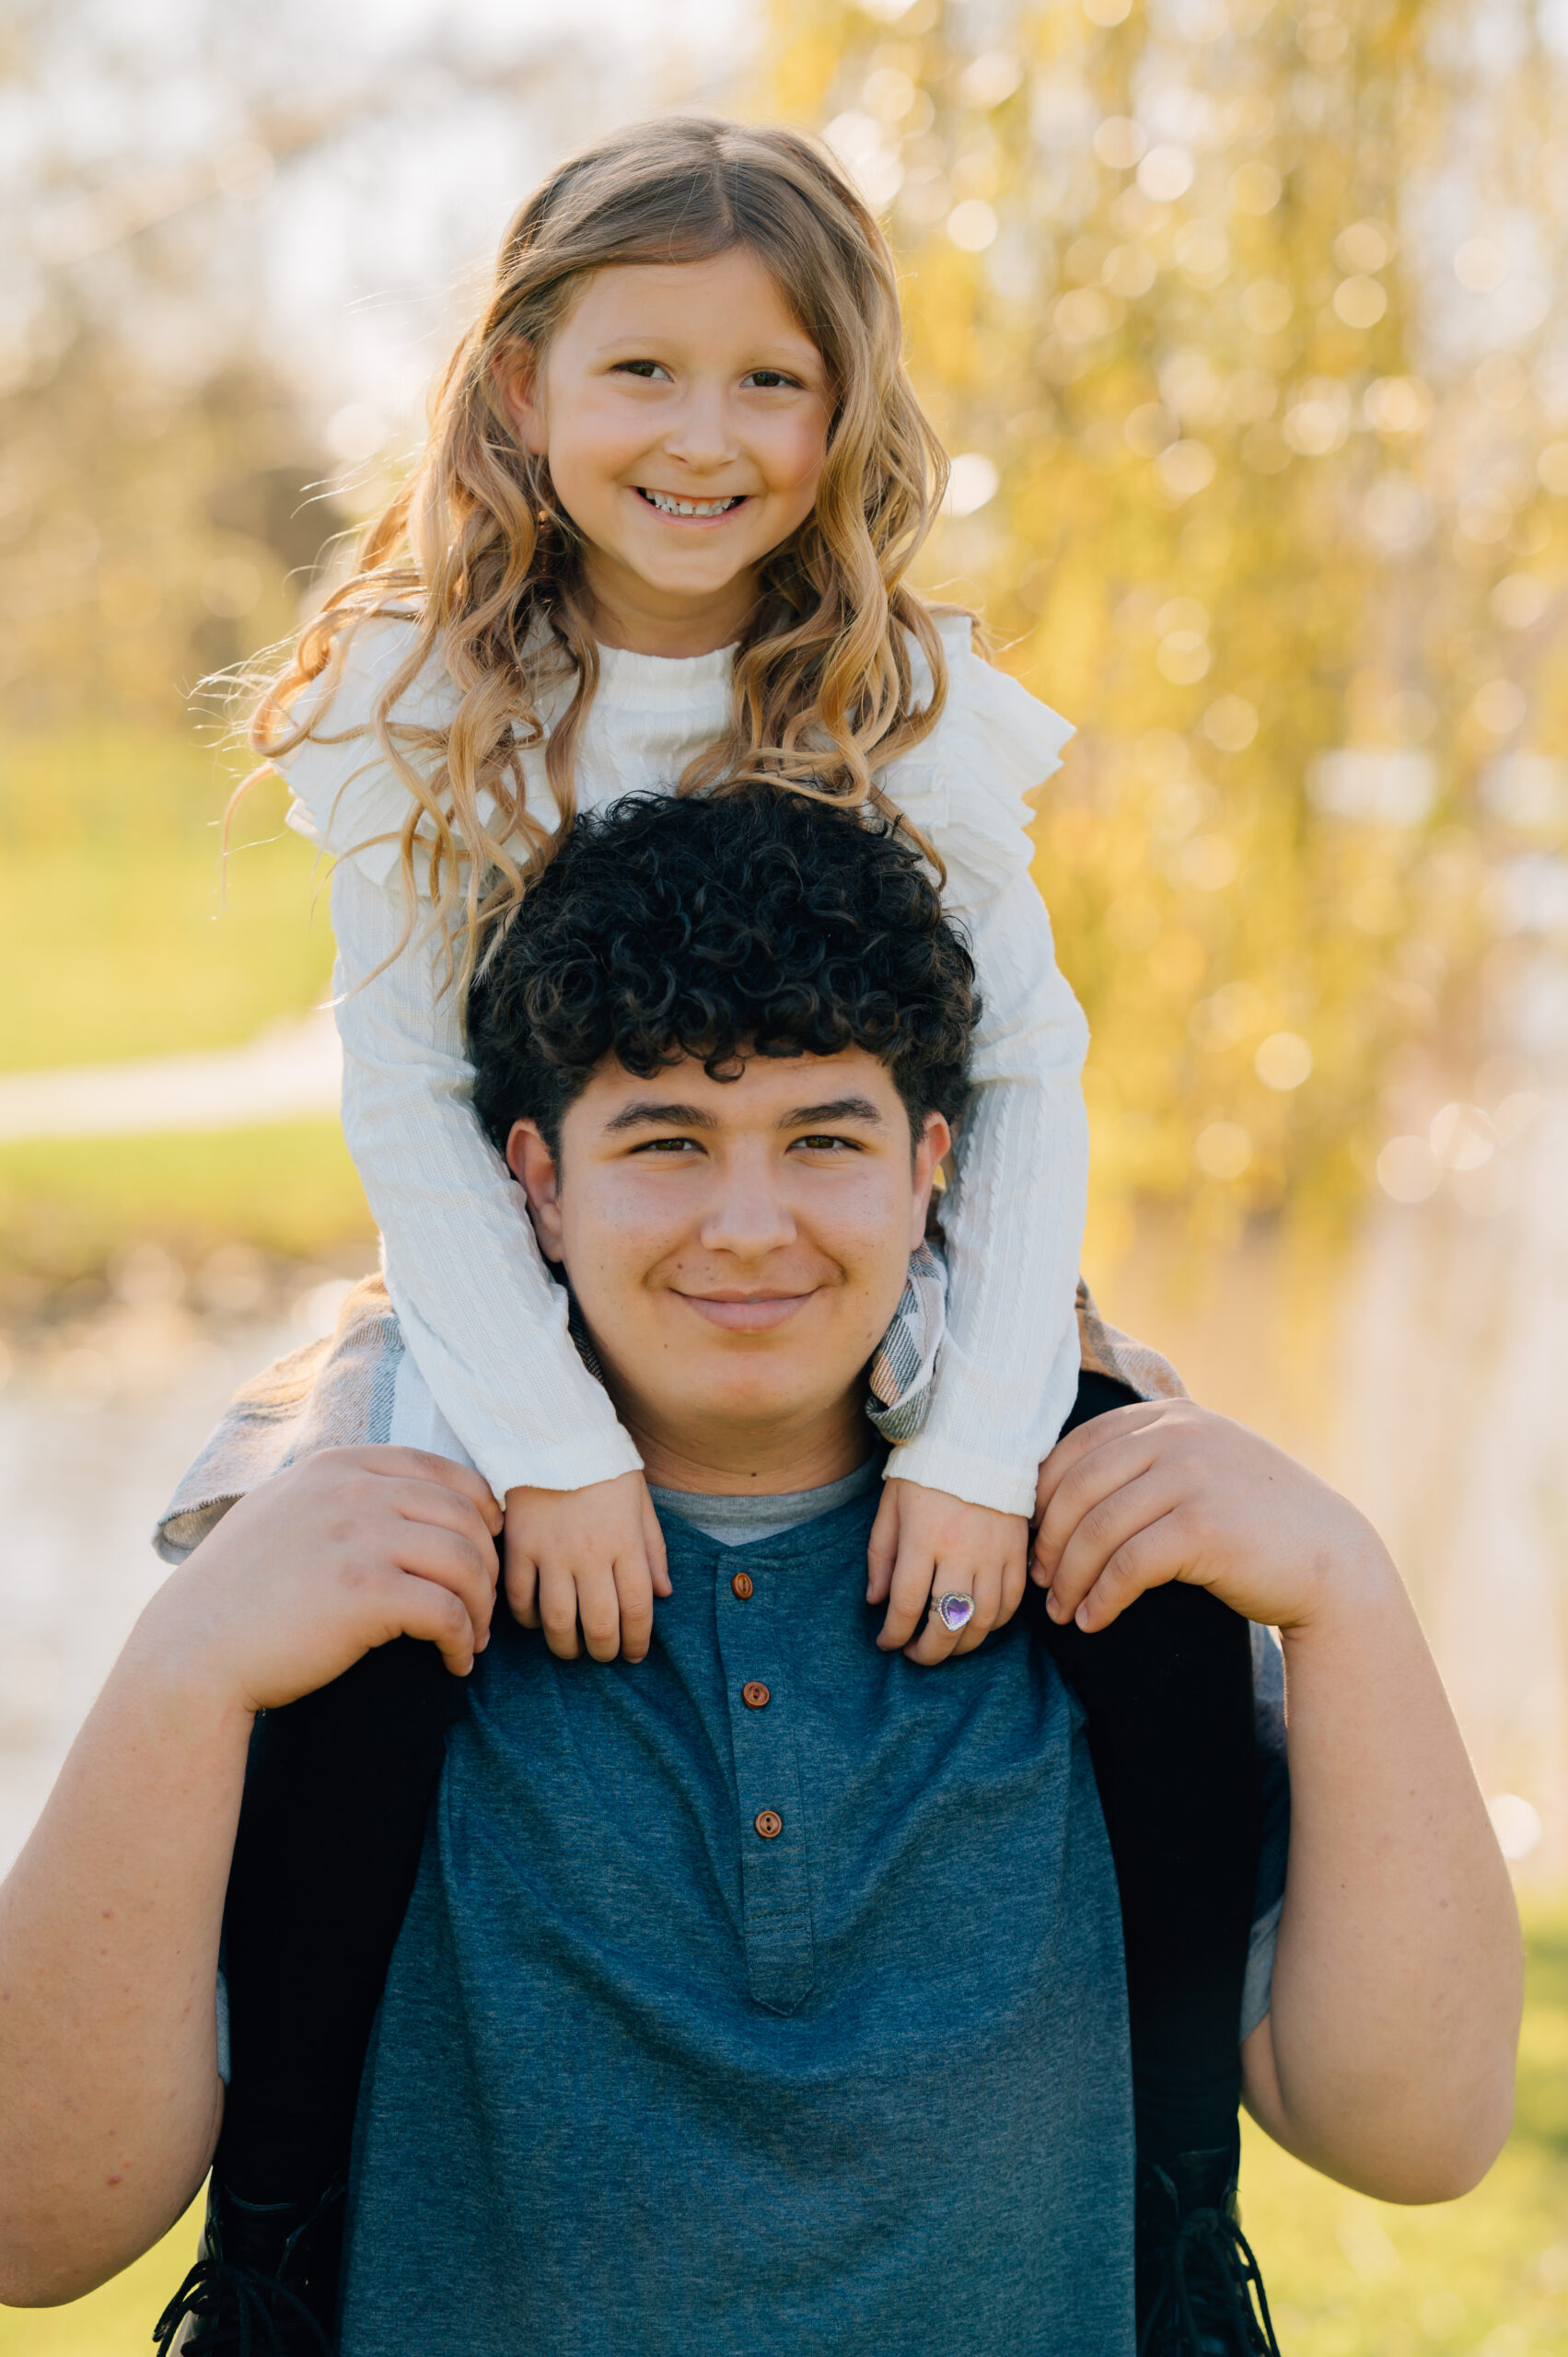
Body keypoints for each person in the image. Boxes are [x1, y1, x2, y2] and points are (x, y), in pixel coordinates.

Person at [194, 108, 1272, 2319]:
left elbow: (1026, 1070)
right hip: (512, 1275)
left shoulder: (902, 698)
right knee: (356, 1645)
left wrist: (984, 1447)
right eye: (644, 372)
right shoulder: (423, 700)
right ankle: (280, 2228)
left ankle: (1179, 2208)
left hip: (905, 1276)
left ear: (843, 408)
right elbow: (406, 1092)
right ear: (525, 388)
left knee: (1154, 1604)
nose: (705, 436)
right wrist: (546, 1443)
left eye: (770, 379)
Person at [0, 791, 1520, 2357]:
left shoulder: (1116, 1569)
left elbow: (1417, 2137)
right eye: (666, 1141)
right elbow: (34, 2226)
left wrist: (1349, 1592)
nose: (747, 1227)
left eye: (824, 1140)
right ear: (538, 1182)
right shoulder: (347, 1576)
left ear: (930, 1168)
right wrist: (182, 1668)